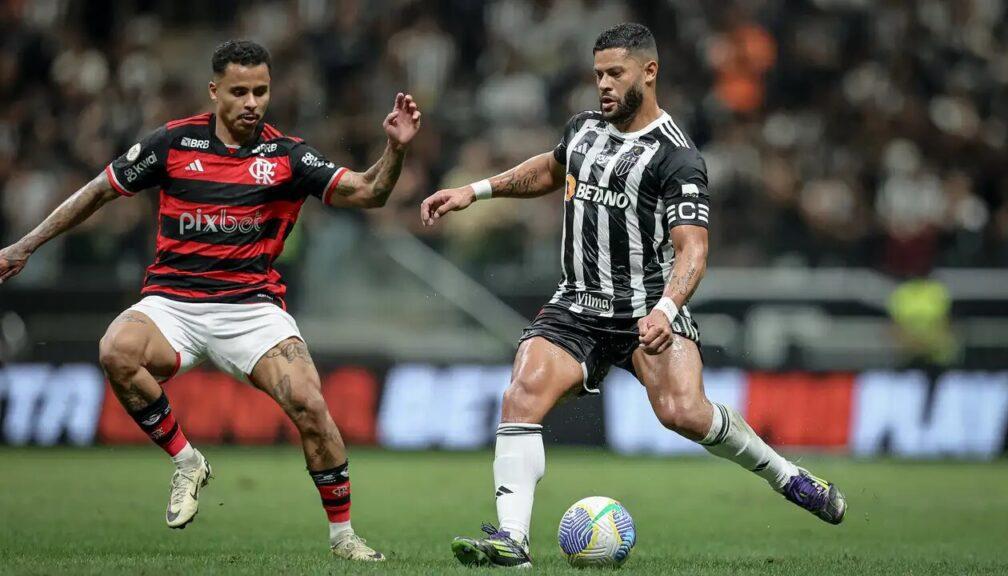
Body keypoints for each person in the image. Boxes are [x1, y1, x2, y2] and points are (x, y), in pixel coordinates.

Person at [421, 23, 845, 568]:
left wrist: (667, 310)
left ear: (649, 72)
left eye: (615, 73)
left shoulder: (678, 158)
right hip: (577, 305)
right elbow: (552, 169)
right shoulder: (583, 128)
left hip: (648, 309)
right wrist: (474, 191)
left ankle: (789, 477)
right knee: (521, 394)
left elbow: (693, 250)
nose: (603, 84)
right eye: (598, 73)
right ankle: (513, 541)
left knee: (684, 413)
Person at [0, 40, 421, 562]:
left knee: (312, 406)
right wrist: (24, 246)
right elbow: (98, 192)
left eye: (261, 91)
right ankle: (186, 461)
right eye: (240, 91)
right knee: (115, 350)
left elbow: (368, 193)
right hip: (172, 303)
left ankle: (343, 538)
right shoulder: (173, 143)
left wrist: (396, 149)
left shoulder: (288, 156)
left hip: (251, 308)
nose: (252, 102)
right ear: (214, 90)